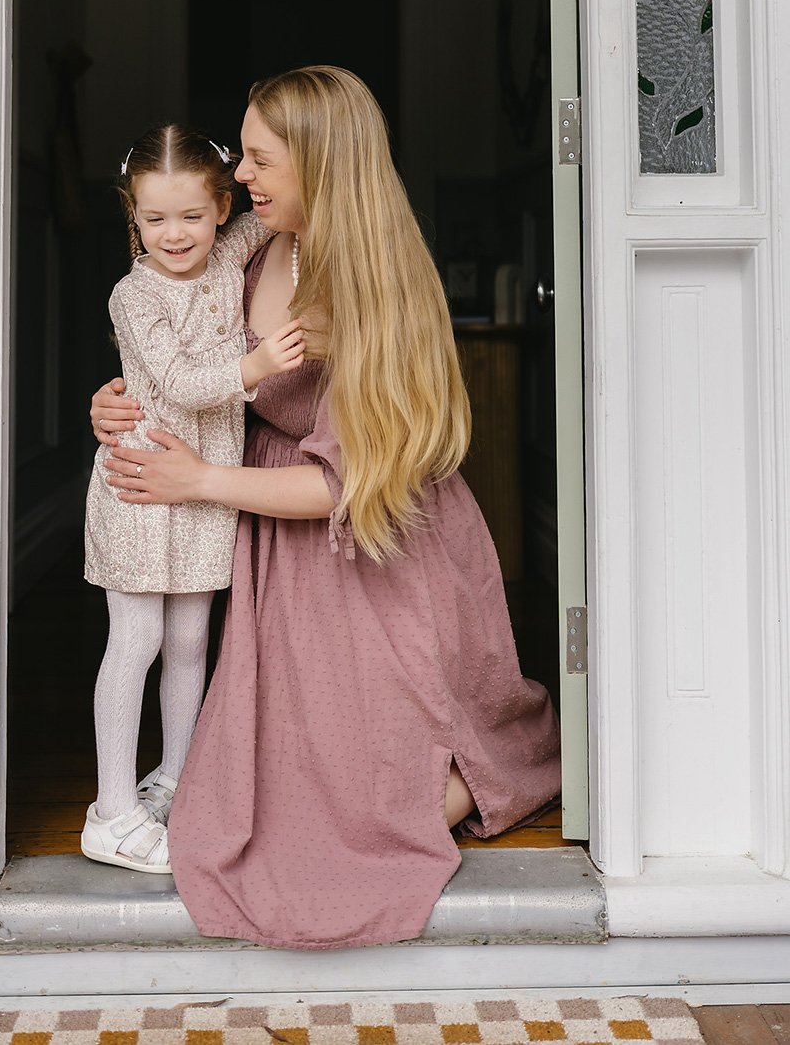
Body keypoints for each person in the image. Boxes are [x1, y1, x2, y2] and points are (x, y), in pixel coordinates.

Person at [89, 67, 560, 948]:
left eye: (260, 159)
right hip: (276, 538)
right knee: (261, 796)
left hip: (375, 545)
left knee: (362, 807)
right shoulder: (256, 248)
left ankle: (456, 775)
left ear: (319, 162)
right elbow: (181, 350)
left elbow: (351, 483)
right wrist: (115, 400)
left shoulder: (370, 285)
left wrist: (198, 482)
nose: (240, 177)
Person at [81, 124, 305, 874]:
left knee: (187, 643)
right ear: (133, 219)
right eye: (153, 219)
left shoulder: (231, 254)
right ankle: (111, 810)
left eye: (191, 216)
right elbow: (178, 383)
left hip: (205, 487)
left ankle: (174, 779)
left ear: (217, 210)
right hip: (143, 485)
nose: (173, 235)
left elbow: (272, 204)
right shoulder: (133, 295)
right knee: (136, 642)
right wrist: (260, 363)